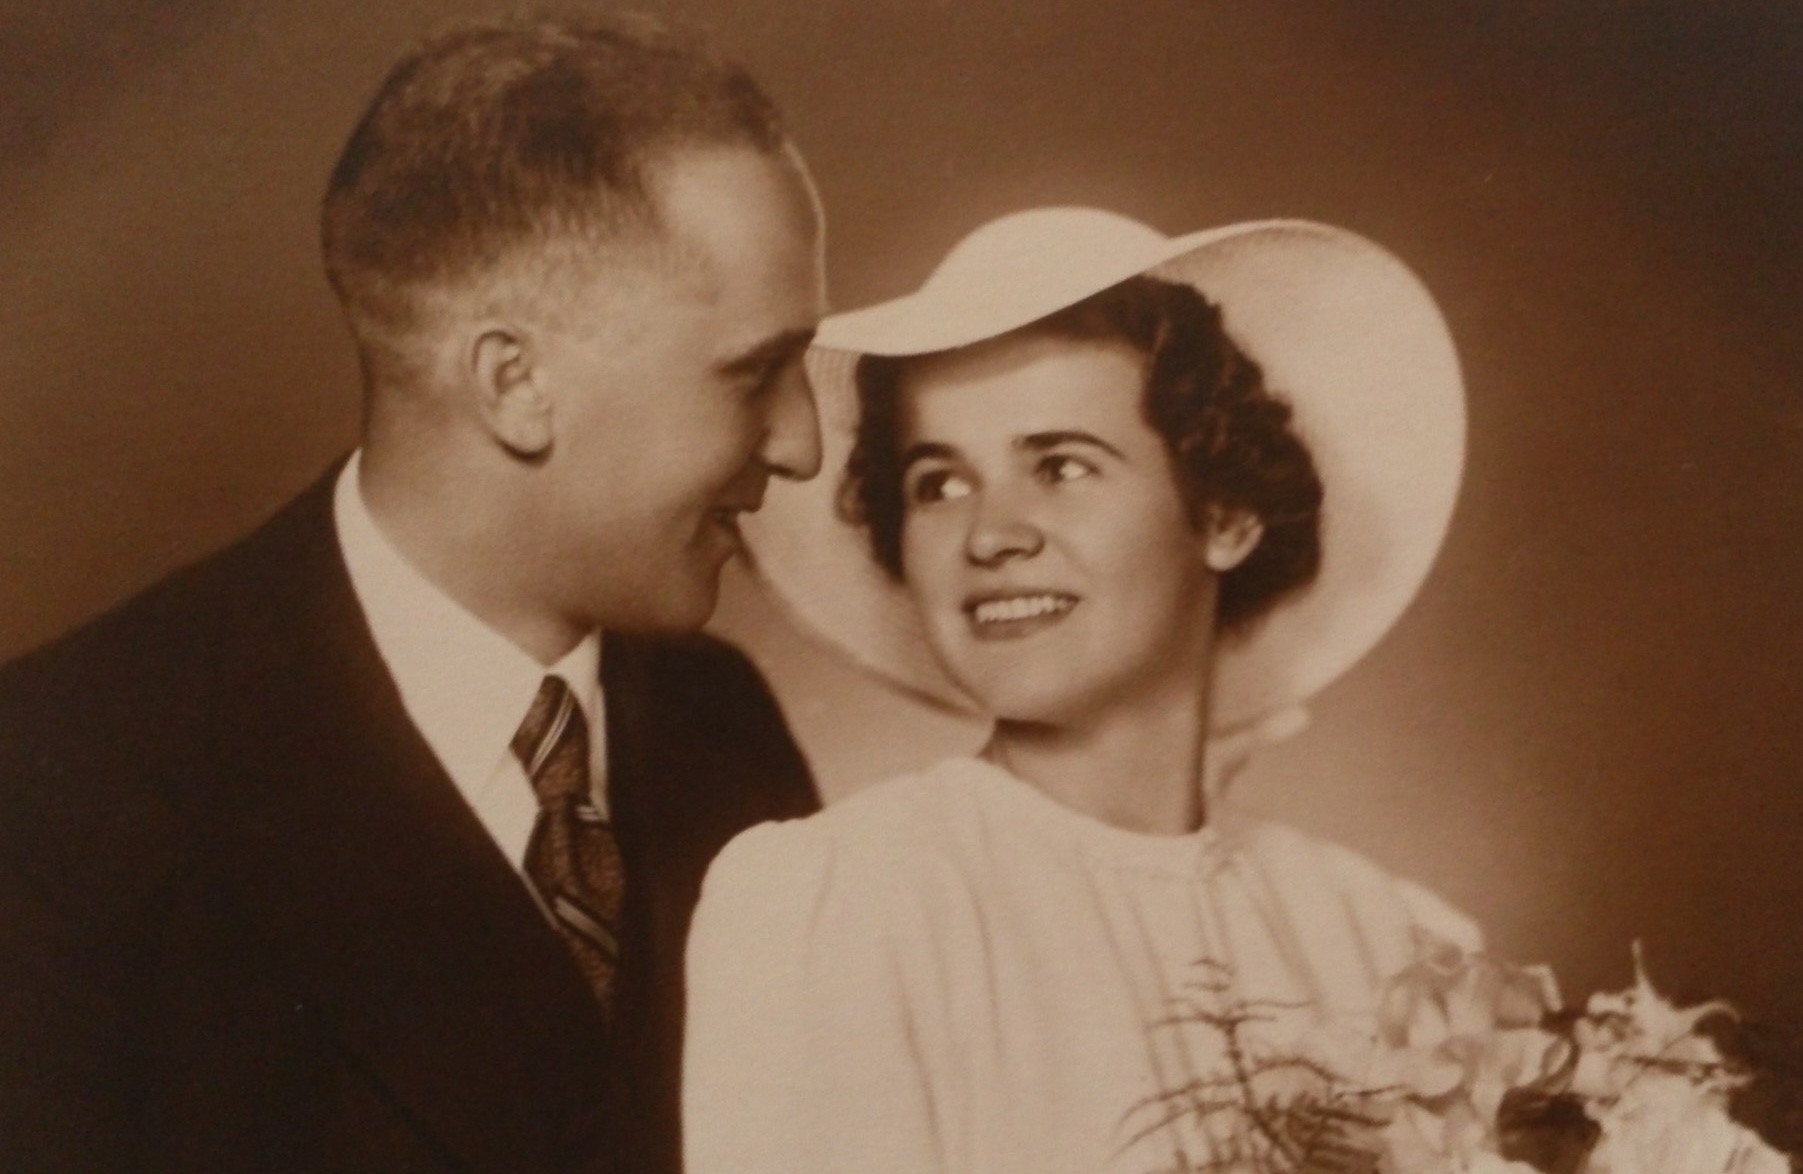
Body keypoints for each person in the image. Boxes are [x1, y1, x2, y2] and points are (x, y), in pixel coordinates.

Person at [0, 14, 824, 1174]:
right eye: (754, 372)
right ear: (515, 383)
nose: (803, 443)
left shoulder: (726, 728)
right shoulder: (59, 794)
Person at [683, 207, 1474, 1174]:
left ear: (1223, 514)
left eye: (1060, 466)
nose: (990, 535)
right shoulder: (846, 900)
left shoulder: (1378, 930)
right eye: (938, 484)